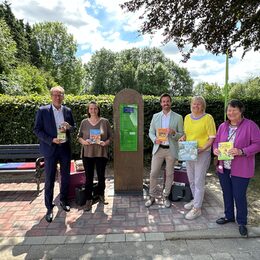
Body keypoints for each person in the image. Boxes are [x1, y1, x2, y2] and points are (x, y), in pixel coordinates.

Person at [213, 99, 260, 236]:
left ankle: (242, 221)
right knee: (226, 193)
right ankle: (228, 216)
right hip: (224, 166)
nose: (231, 112)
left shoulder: (250, 126)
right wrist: (215, 150)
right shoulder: (223, 126)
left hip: (241, 168)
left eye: (234, 110)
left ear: (241, 111)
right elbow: (216, 142)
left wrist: (241, 151)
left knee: (239, 195)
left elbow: (257, 144)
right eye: (229, 110)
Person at [34, 86, 75, 223]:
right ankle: (49, 207)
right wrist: (51, 140)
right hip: (50, 148)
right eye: (55, 95)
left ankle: (63, 200)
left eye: (60, 95)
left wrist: (69, 127)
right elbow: (37, 130)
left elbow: (73, 127)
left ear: (63, 96)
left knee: (66, 176)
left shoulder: (67, 110)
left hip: (64, 148)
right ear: (51, 96)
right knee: (50, 178)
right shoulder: (43, 110)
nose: (58, 97)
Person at [179, 96, 216, 220]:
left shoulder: (208, 118)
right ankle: (196, 201)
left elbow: (212, 138)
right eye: (194, 104)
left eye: (199, 104)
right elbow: (186, 133)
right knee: (191, 179)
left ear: (203, 106)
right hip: (189, 150)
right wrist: (183, 138)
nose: (196, 106)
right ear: (191, 105)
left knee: (199, 180)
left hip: (202, 153)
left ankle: (197, 209)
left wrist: (203, 149)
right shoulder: (187, 117)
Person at [145, 93, 184, 208]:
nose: (166, 103)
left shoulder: (178, 117)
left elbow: (181, 135)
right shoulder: (155, 116)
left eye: (168, 101)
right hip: (158, 149)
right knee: (153, 173)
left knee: (170, 174)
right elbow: (151, 132)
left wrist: (173, 133)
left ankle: (166, 196)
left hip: (171, 150)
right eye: (163, 101)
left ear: (170, 102)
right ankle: (152, 196)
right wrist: (154, 139)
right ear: (161, 103)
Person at [78, 101, 112, 211]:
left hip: (101, 153)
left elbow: (111, 137)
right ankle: (89, 199)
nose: (93, 110)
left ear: (98, 109)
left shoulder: (105, 122)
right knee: (89, 178)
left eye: (95, 108)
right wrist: (84, 142)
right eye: (91, 108)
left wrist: (105, 143)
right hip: (87, 154)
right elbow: (79, 137)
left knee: (101, 176)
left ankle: (100, 194)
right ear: (88, 110)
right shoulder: (84, 122)